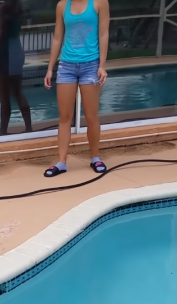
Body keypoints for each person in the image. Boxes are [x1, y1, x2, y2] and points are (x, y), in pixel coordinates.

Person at [43, 0, 110, 177]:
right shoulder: (62, 5)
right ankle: (61, 162)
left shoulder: (99, 3)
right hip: (67, 66)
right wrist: (50, 68)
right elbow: (58, 37)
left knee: (91, 115)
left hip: (91, 65)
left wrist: (102, 65)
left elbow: (103, 33)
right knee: (65, 116)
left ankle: (95, 157)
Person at [0, 0, 33, 136]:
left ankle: (3, 131)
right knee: (18, 92)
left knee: (4, 96)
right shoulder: (18, 7)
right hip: (17, 49)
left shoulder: (5, 7)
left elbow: (3, 34)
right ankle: (29, 127)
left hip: (6, 52)